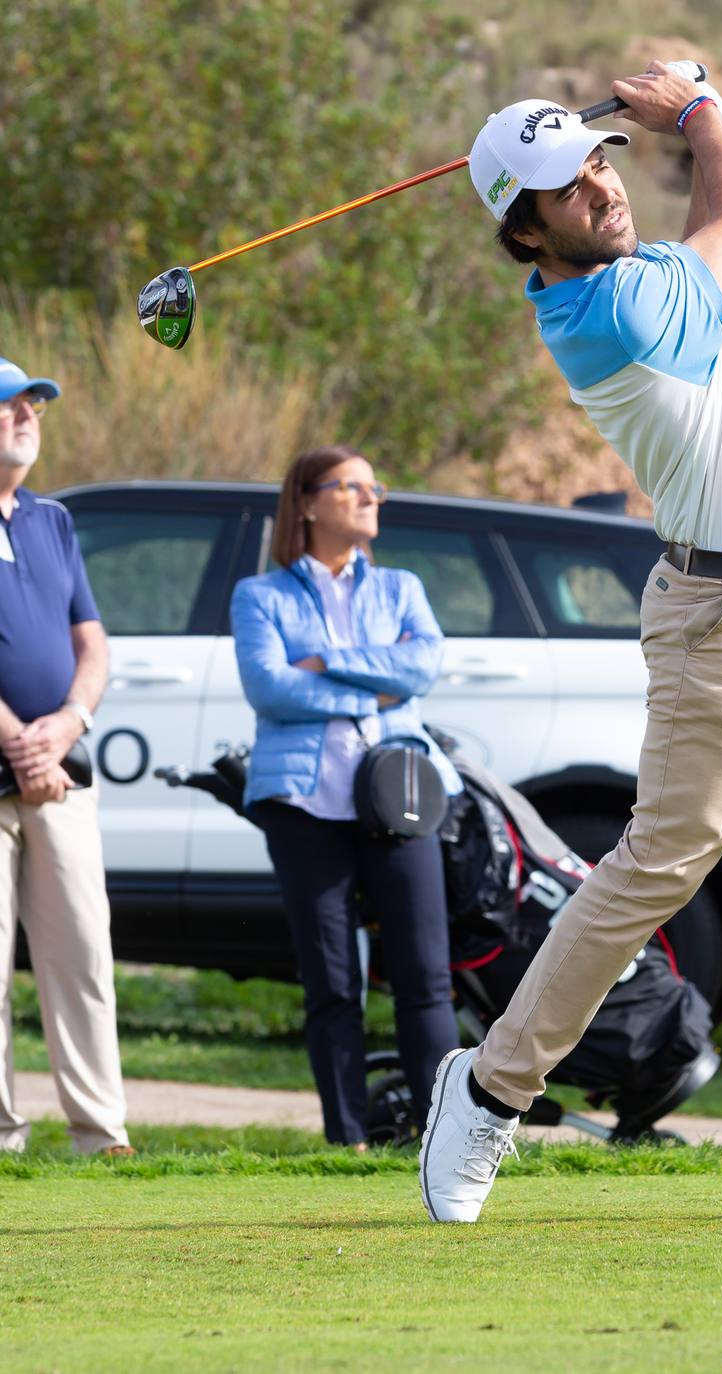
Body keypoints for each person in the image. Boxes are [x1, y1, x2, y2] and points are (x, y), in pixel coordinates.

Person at [419, 62, 722, 1224]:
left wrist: (682, 124)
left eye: (598, 161)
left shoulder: (647, 273)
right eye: (566, 186)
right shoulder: (614, 311)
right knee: (663, 862)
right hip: (721, 616)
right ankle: (489, 1092)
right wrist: (700, 110)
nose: (600, 187)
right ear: (526, 231)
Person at [231, 445, 462, 1149]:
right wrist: (373, 687)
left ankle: (444, 1136)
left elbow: (421, 666)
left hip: (401, 799)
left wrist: (327, 662)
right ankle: (349, 1138)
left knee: (425, 977)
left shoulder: (400, 587)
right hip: (304, 806)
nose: (370, 498)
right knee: (332, 982)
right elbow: (270, 687)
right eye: (350, 486)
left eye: (374, 487)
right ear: (306, 503)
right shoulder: (260, 596)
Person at [0, 355, 131, 1156]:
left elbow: (92, 642)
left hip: (60, 770)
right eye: (4, 404)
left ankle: (99, 1134)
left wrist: (68, 723)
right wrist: (18, 740)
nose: (25, 417)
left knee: (82, 953)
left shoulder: (53, 520)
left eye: (33, 405)